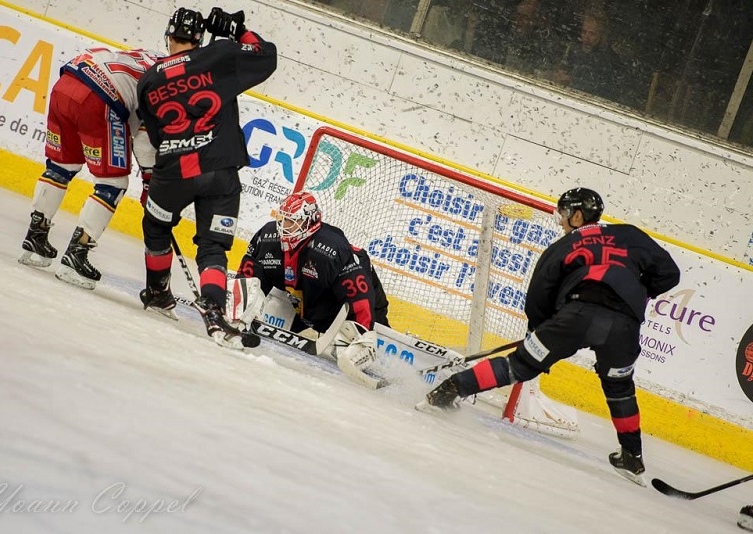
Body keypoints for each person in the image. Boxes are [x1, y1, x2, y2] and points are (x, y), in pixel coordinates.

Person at [419, 187, 681, 483]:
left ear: (578, 215)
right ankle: (631, 458)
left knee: (518, 366)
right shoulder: (630, 235)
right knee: (620, 387)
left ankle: (447, 391)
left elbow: (539, 296)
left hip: (576, 317)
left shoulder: (563, 246)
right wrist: (636, 290)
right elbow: (670, 274)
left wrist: (540, 331)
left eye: (564, 214)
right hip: (625, 326)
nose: (560, 221)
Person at [135, 7, 277, 347]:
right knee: (213, 245)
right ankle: (213, 307)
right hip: (221, 172)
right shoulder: (222, 54)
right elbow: (266, 56)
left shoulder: (149, 79)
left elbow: (153, 138)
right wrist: (238, 30)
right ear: (199, 38)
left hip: (174, 174)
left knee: (156, 226)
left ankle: (157, 291)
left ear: (169, 37)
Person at [18, 46, 162, 290]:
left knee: (62, 165)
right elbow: (144, 144)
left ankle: (35, 237)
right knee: (113, 184)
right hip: (100, 99)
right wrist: (150, 181)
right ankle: (76, 255)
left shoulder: (149, 57)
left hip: (67, 83)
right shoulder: (167, 83)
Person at [238, 191, 390, 387]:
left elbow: (359, 296)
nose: (282, 228)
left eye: (290, 222)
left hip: (354, 294)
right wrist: (240, 303)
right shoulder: (268, 237)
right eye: (282, 220)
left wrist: (364, 335)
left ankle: (370, 347)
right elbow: (248, 275)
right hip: (304, 300)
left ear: (309, 221)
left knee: (355, 339)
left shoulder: (331, 250)